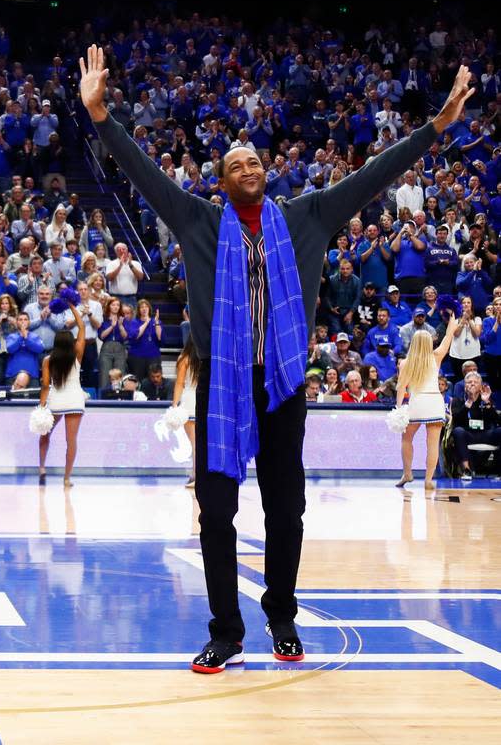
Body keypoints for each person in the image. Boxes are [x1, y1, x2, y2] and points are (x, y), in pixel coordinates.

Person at [80, 46, 473, 673]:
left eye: (255, 160)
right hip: (223, 385)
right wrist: (101, 116)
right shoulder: (199, 221)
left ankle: (282, 616)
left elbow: (374, 174)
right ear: (222, 179)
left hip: (285, 383)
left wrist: (436, 128)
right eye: (236, 164)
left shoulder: (308, 216)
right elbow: (145, 176)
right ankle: (226, 630)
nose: (249, 167)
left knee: (286, 506)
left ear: (267, 171)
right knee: (216, 509)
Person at [397, 321, 458, 490]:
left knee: (407, 438)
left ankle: (407, 473)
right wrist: (452, 323)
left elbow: (401, 387)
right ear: (429, 343)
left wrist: (398, 407)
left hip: (417, 402)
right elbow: (448, 337)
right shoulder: (436, 356)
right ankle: (428, 480)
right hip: (434, 402)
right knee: (432, 443)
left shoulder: (405, 363)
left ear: (413, 343)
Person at [38, 299, 85, 487]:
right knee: (71, 440)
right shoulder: (77, 354)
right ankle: (67, 478)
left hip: (56, 400)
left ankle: (42, 467)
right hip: (74, 399)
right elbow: (81, 328)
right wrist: (72, 306)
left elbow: (45, 386)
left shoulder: (48, 360)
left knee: (44, 435)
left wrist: (42, 407)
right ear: (71, 343)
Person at [448, 372, 501, 480]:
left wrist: (487, 402)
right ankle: (466, 470)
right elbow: (456, 419)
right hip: (468, 434)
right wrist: (469, 402)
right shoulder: (458, 400)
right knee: (458, 431)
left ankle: (499, 470)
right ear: (465, 385)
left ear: (481, 385)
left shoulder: (487, 399)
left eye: (475, 382)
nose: (472, 384)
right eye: (469, 382)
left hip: (485, 433)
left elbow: (496, 420)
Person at [173, 339, 201, 488]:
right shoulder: (206, 358)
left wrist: (174, 405)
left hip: (189, 401)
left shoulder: (184, 359)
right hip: (203, 399)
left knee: (194, 443)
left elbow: (179, 383)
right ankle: (199, 475)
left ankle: (196, 475)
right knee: (201, 442)